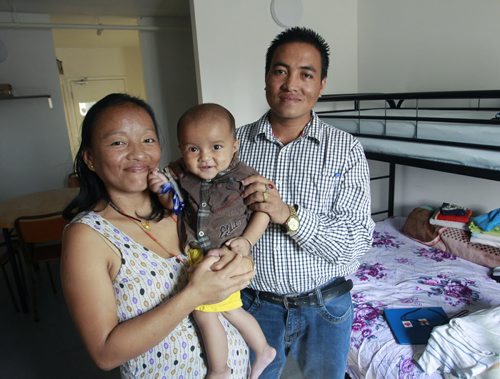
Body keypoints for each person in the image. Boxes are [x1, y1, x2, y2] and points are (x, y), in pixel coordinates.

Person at [60, 93, 255, 378]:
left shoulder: (183, 207)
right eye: (118, 142)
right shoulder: (87, 236)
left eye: (148, 140)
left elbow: (234, 252)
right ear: (90, 158)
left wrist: (241, 262)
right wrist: (194, 295)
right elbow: (105, 353)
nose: (138, 153)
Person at [236, 27, 376, 378]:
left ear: (322, 84)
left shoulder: (345, 149)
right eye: (280, 71)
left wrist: (287, 214)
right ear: (267, 77)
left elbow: (356, 242)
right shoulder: (233, 145)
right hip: (253, 304)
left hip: (326, 307)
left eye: (306, 74)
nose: (291, 84)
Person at [148, 103, 276, 379]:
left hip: (225, 257)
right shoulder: (182, 175)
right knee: (231, 310)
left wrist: (247, 241)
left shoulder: (245, 177)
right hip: (199, 255)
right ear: (182, 150)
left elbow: (264, 211)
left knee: (205, 314)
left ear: (234, 146)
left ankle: (220, 370)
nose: (205, 157)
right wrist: (162, 192)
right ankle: (263, 349)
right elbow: (177, 207)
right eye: (193, 149)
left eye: (216, 147)